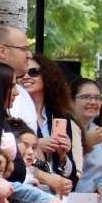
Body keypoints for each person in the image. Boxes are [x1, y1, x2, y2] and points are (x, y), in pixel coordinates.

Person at [19, 55, 79, 190]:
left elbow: (71, 174)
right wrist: (37, 145)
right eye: (23, 73)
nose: (26, 76)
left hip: (55, 193)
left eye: (33, 72)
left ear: (47, 76)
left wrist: (63, 156)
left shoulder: (60, 116)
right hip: (29, 188)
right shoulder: (14, 111)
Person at [71, 79, 102, 200]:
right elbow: (64, 167)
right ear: (72, 101)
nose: (93, 102)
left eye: (97, 98)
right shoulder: (65, 129)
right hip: (71, 202)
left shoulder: (100, 132)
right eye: (86, 97)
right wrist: (85, 144)